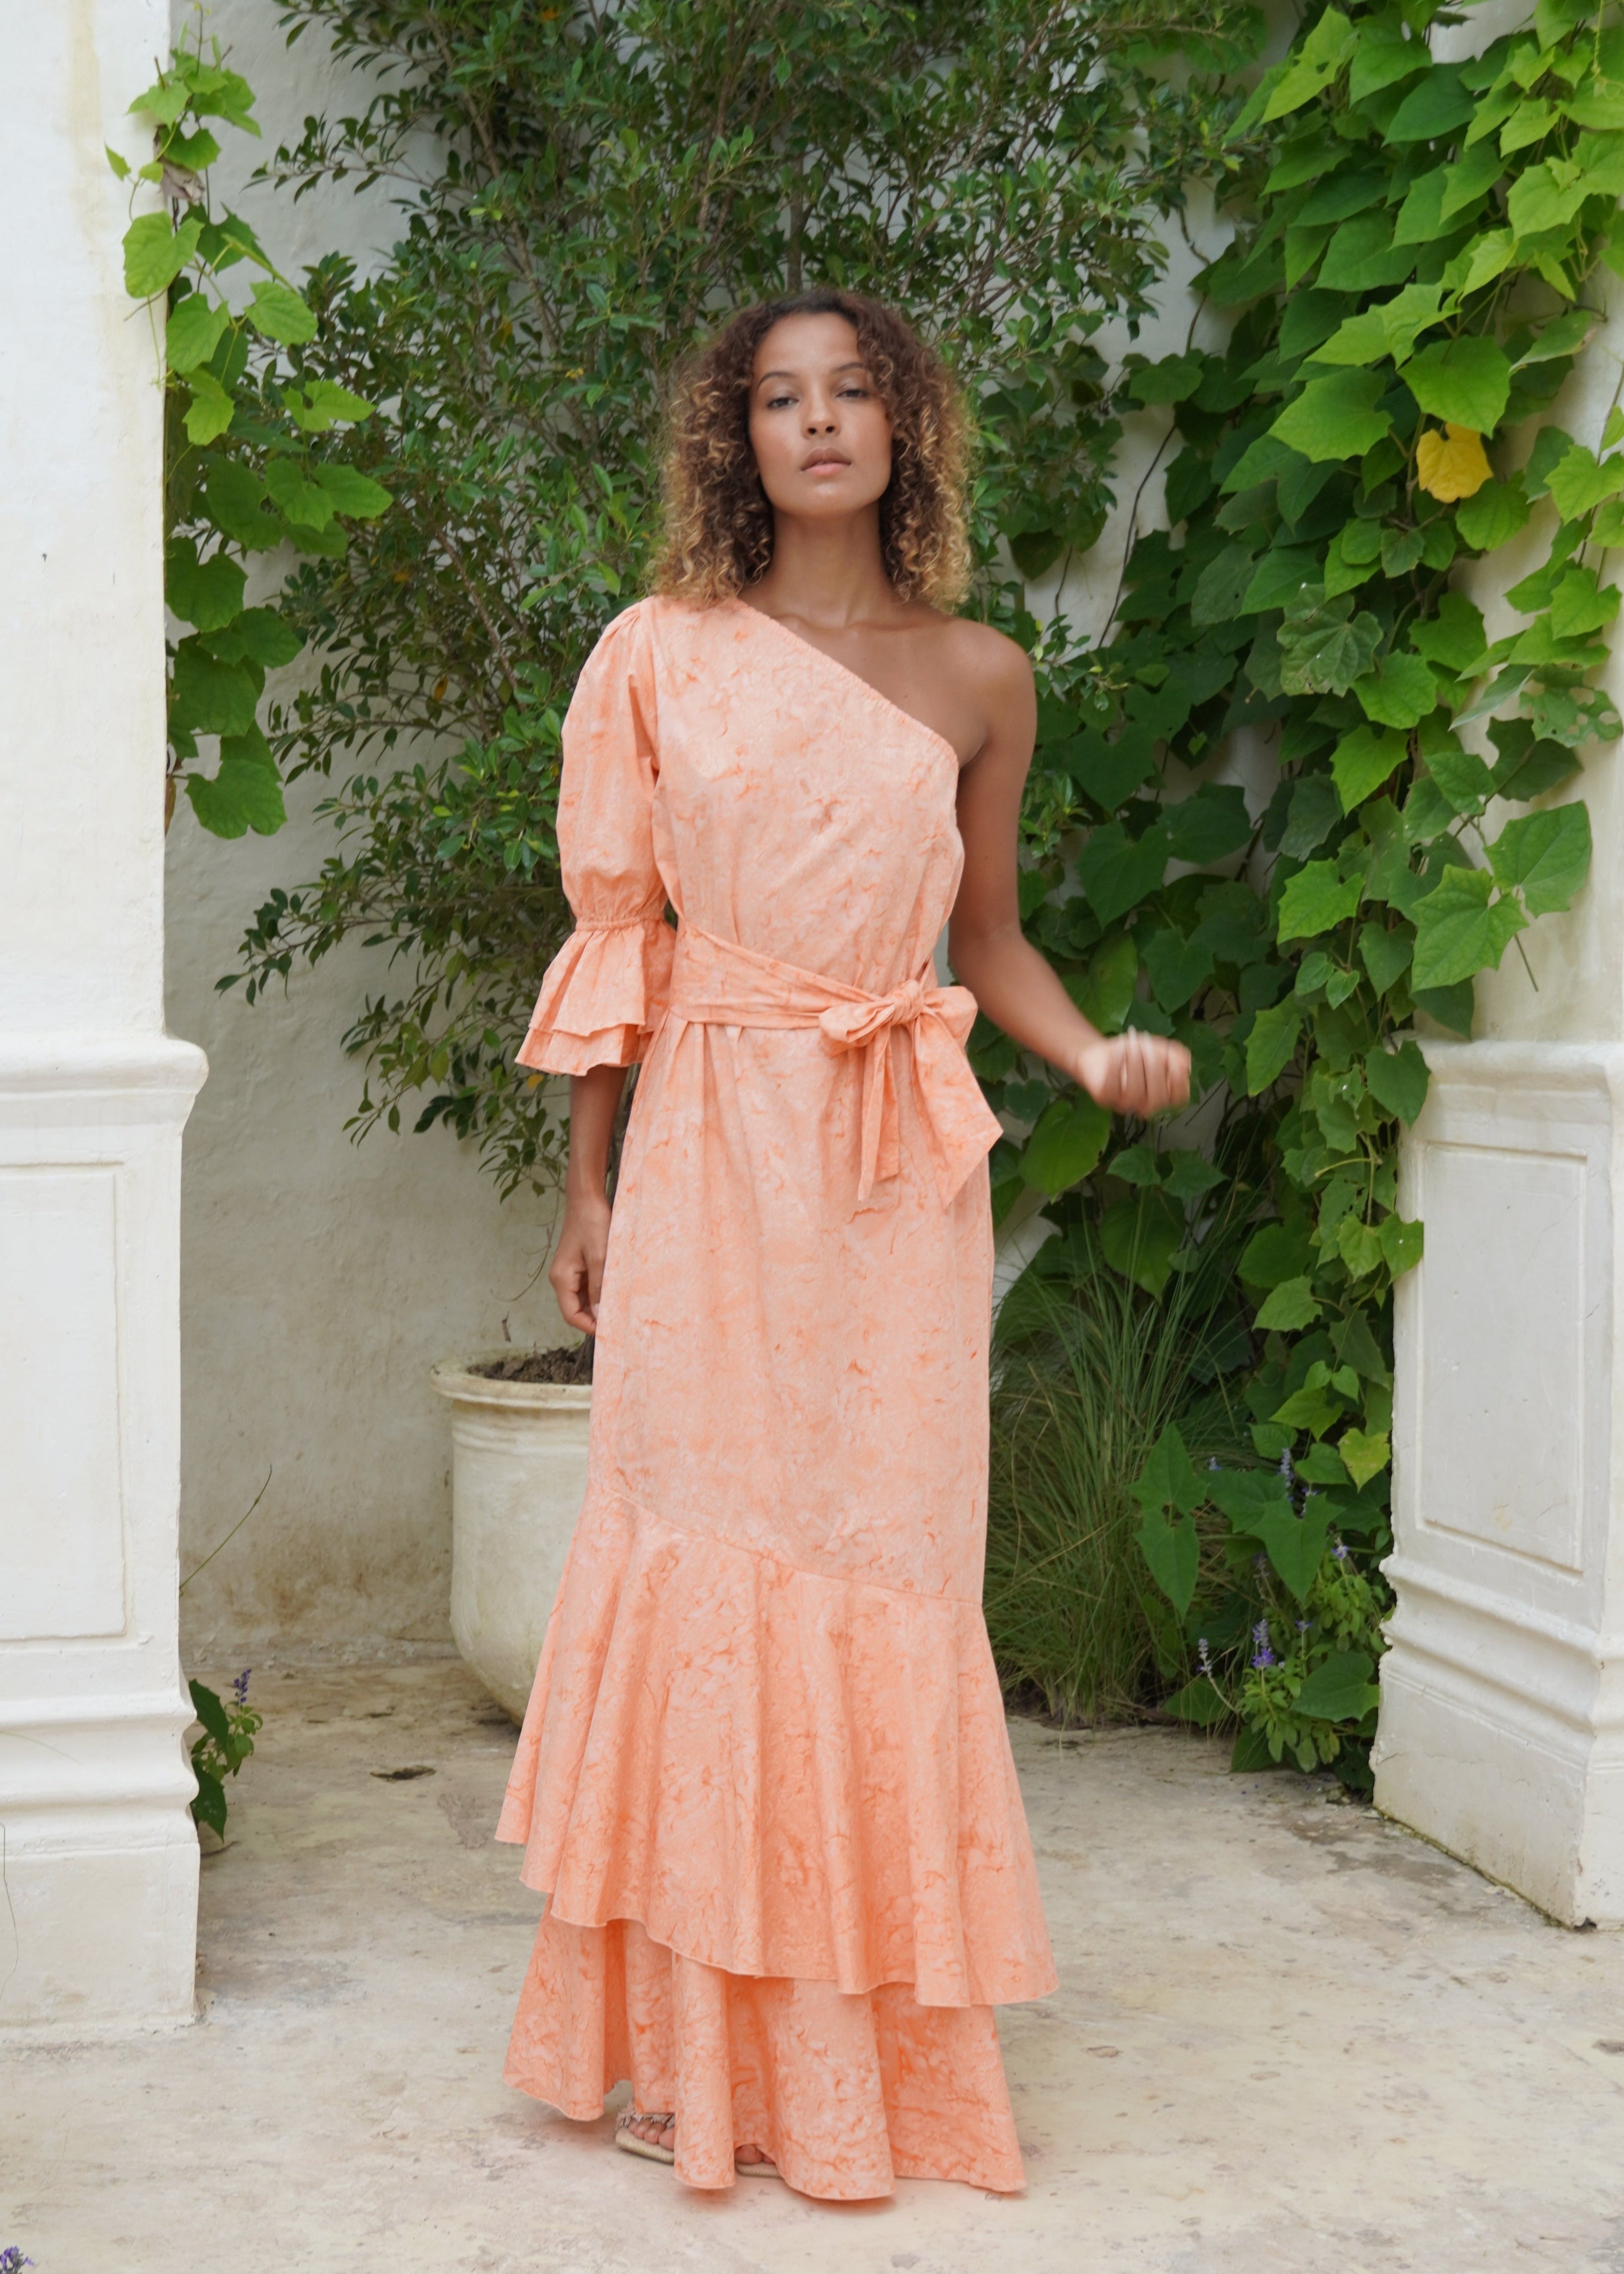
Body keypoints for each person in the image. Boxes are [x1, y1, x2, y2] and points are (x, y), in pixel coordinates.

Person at [496, 288, 1190, 2201]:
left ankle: (858, 2056)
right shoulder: (658, 652)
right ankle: (682, 2053)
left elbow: (989, 944)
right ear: (740, 439)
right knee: (707, 1550)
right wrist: (588, 1184)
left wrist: (1086, 1049)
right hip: (714, 1147)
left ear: (903, 428)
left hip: (893, 1168)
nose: (817, 423)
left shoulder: (981, 674)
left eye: (851, 391)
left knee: (878, 1562)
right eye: (780, 398)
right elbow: (619, 938)